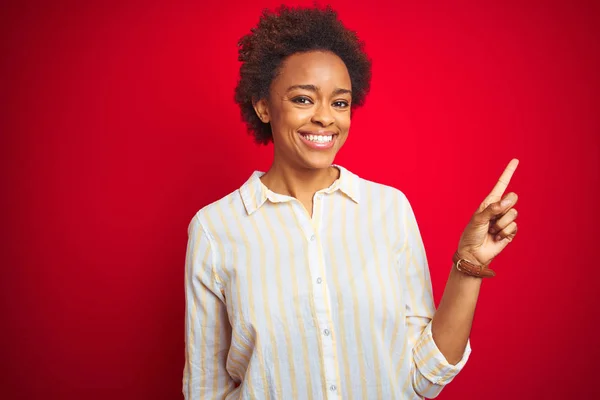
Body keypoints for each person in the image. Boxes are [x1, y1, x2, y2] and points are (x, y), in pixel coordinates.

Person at [183, 5, 519, 400]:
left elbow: (425, 378)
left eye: (339, 103)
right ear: (263, 106)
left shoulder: (389, 210)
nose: (326, 118)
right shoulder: (215, 229)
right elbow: (205, 389)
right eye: (304, 99)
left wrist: (470, 264)